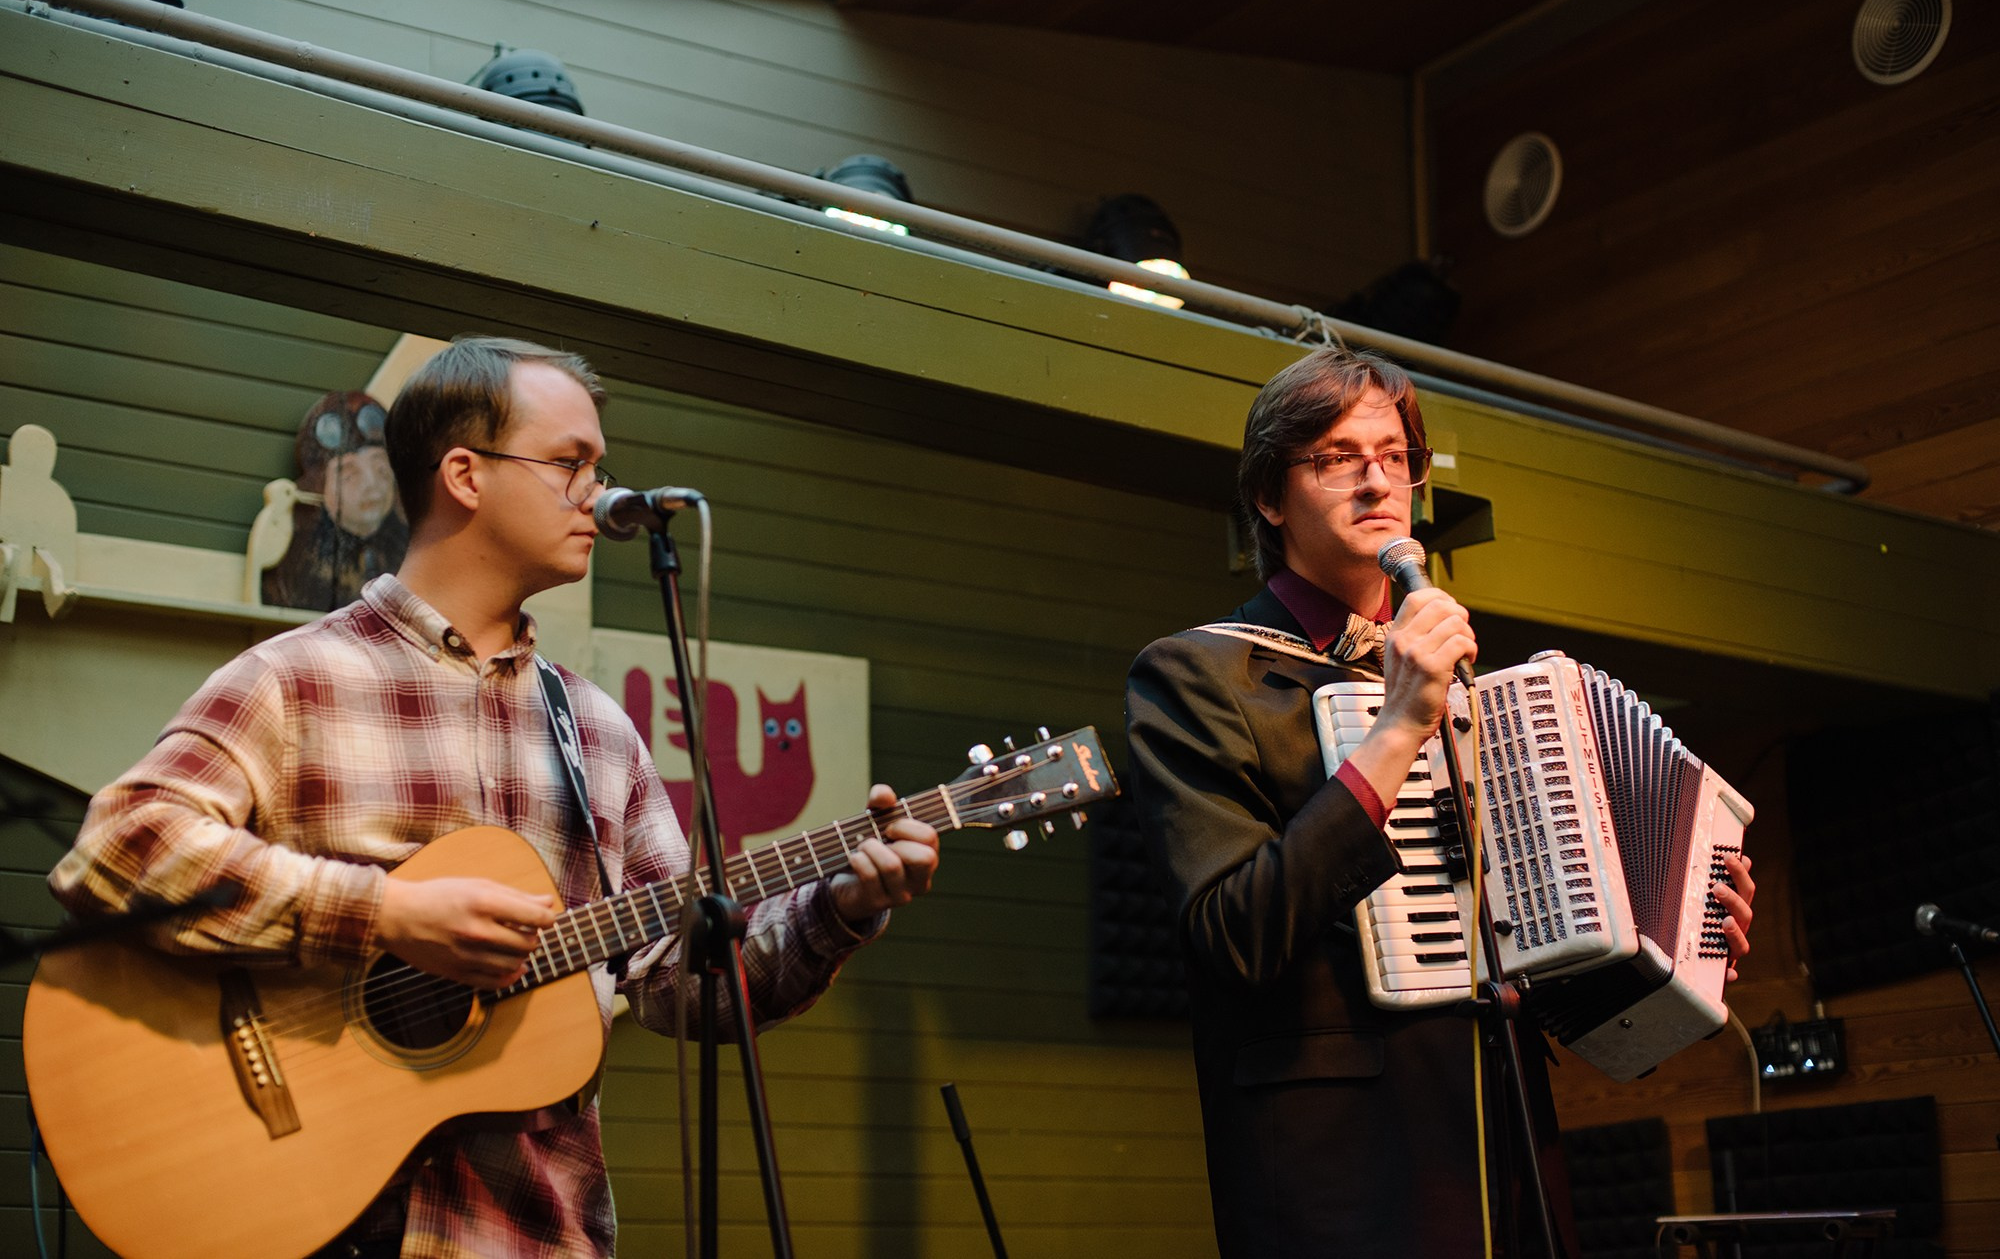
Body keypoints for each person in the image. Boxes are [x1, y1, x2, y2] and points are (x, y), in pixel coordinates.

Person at [48, 336, 940, 1259]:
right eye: (571, 463)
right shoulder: (296, 679)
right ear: (465, 474)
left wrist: (839, 904)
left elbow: (684, 982)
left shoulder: (596, 730)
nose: (599, 490)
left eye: (600, 466)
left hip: (529, 1239)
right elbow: (120, 848)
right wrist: (384, 912)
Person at [1124, 346, 1754, 1256]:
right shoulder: (1198, 673)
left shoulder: (1476, 696)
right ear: (1269, 496)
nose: (1377, 478)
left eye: (1395, 455)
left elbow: (1530, 938)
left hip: (1501, 1137)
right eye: (1337, 455)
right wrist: (1396, 726)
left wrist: (1685, 943)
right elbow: (1234, 932)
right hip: (1337, 1162)